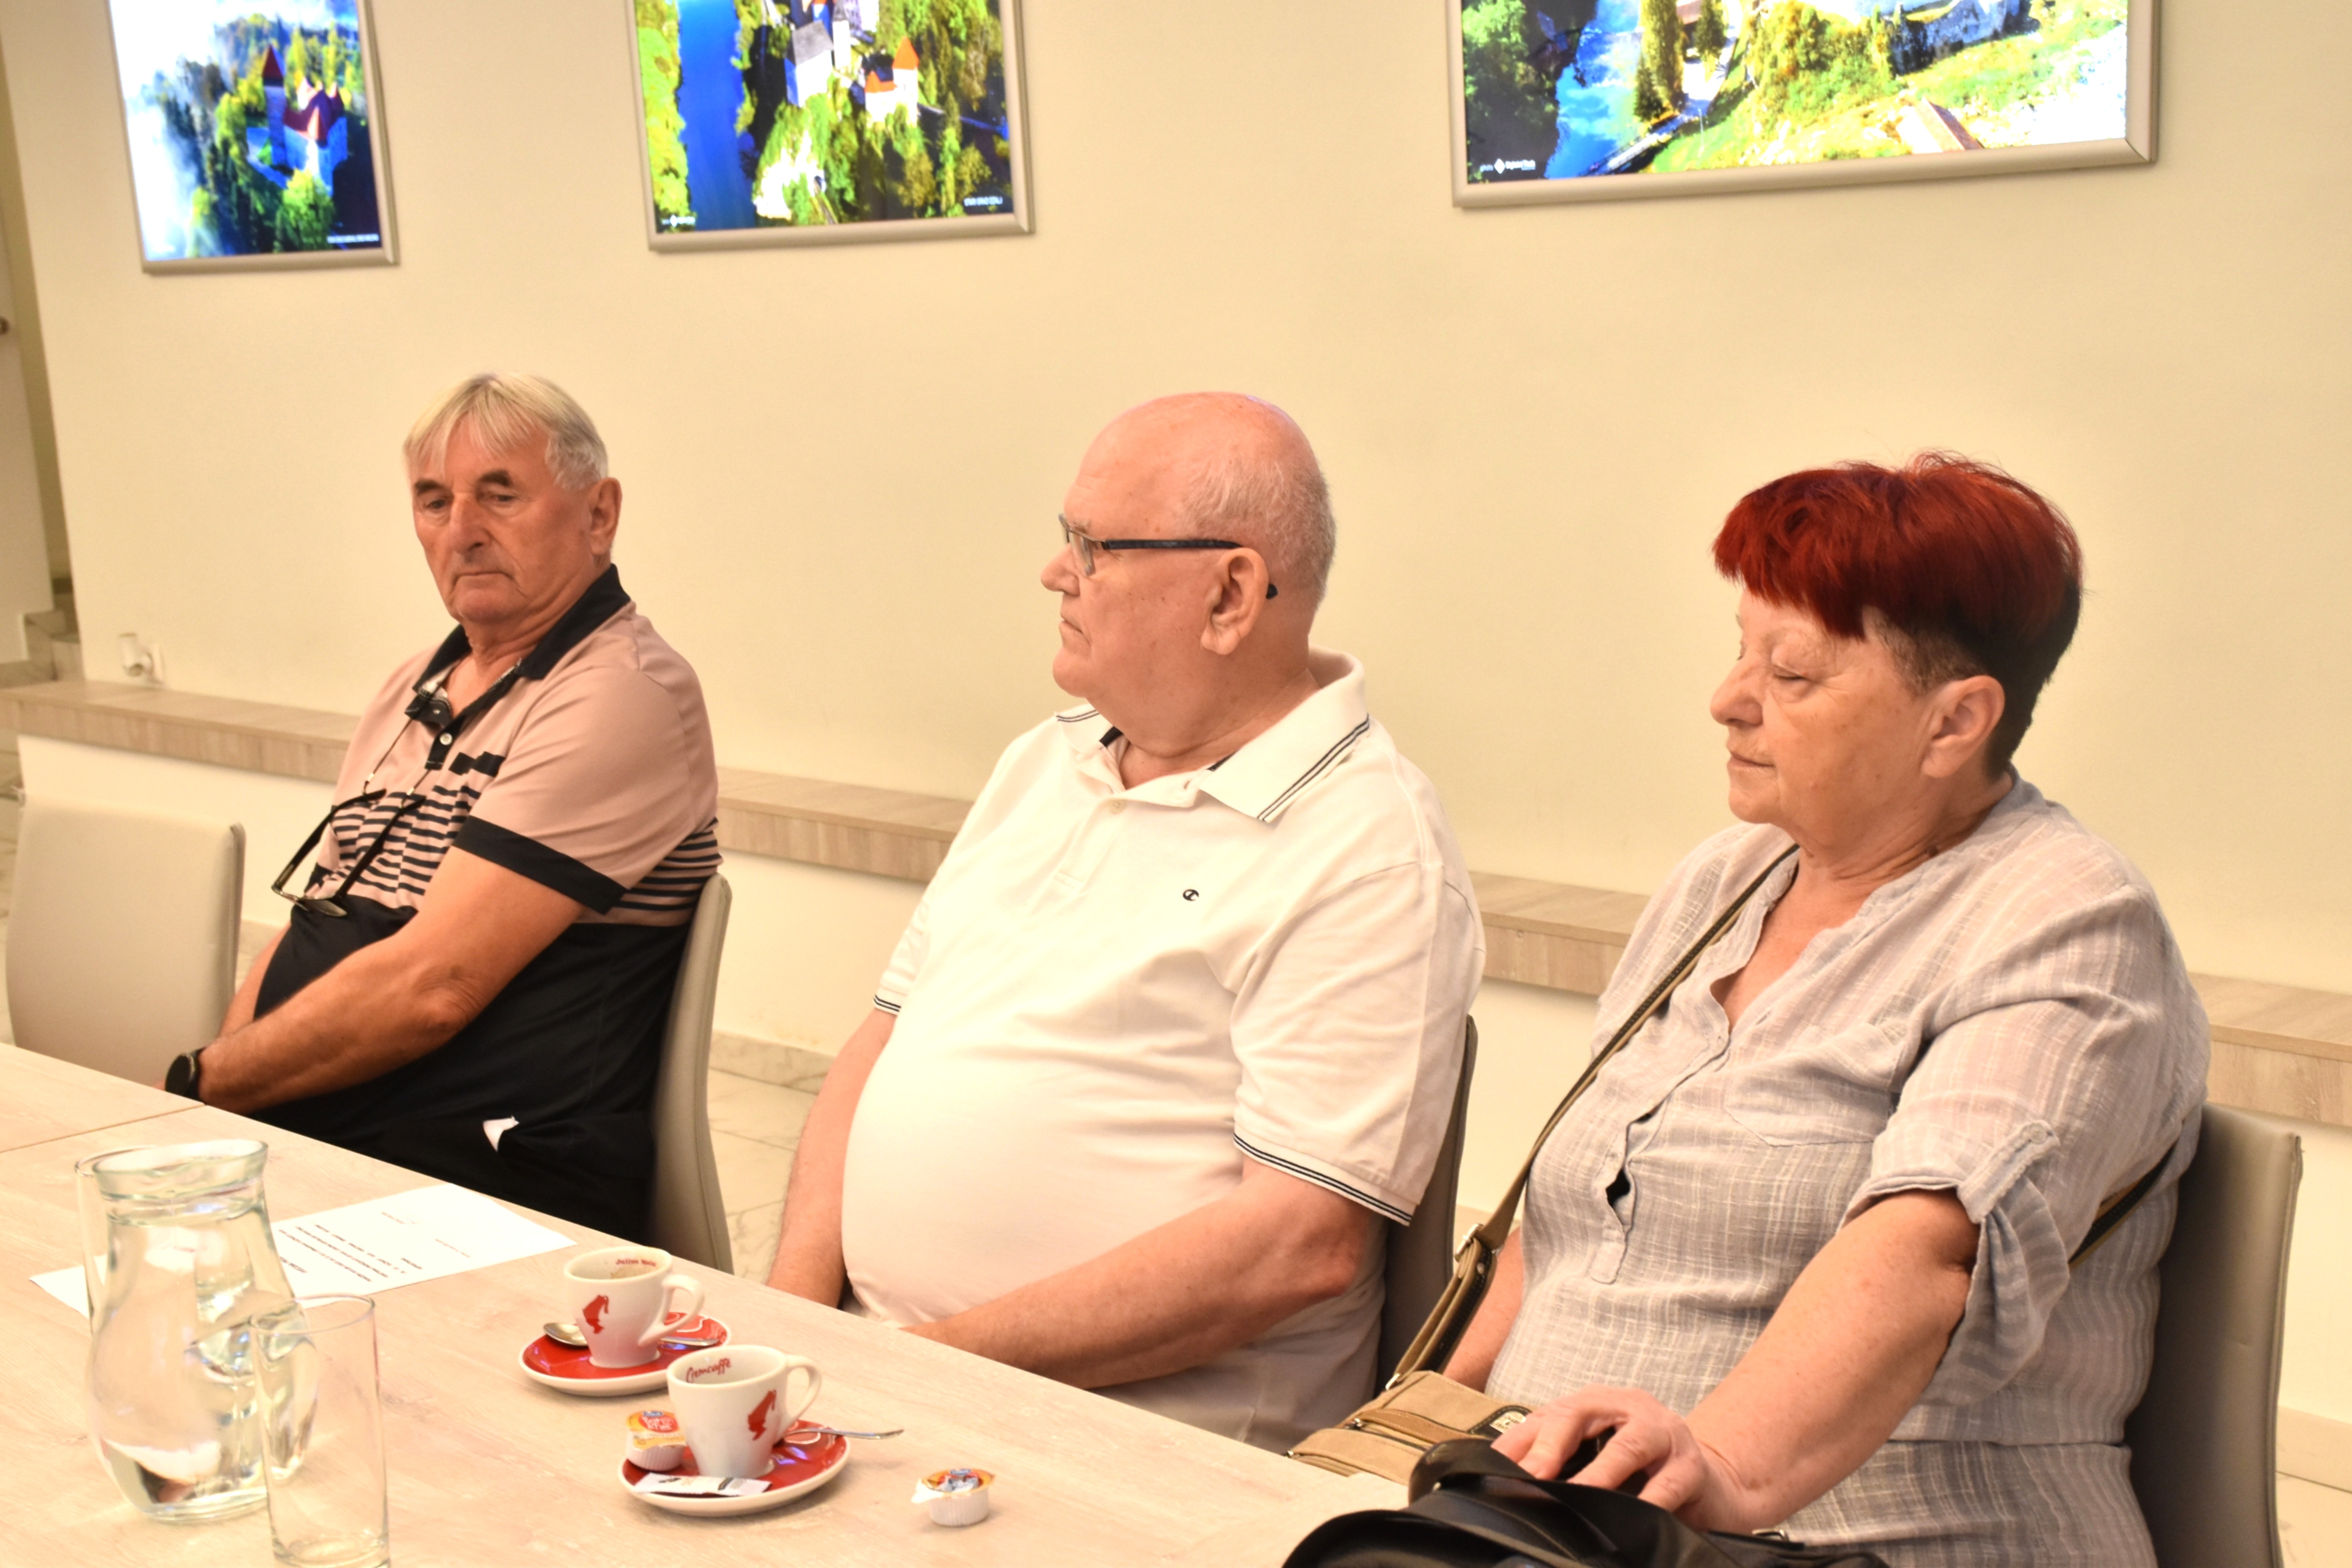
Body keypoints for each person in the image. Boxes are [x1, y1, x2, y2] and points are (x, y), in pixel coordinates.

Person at [1444, 455, 2206, 1566]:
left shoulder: (2068, 918)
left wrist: (1718, 1466)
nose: (1729, 699)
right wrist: (1426, 1428)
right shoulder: (1727, 877)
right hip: (1571, 1524)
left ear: (1955, 722)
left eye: (1792, 672)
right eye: (1741, 650)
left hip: (1872, 1536)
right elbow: (1570, 1227)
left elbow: (1923, 1258)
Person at [767, 393, 1483, 1451]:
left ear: (1229, 594)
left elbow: (1298, 1244)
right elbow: (881, 1042)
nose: (1056, 573)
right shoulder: (1044, 760)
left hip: (1118, 1439)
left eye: (1094, 548)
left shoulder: (1370, 846)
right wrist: (788, 1334)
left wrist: (923, 1368)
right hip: (884, 1383)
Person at [164, 374, 721, 1238]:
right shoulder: (415, 684)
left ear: (599, 514)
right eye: (434, 501)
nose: (462, 530)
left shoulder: (622, 693)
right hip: (334, 1149)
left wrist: (201, 1084)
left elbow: (434, 988)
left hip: (480, 1184)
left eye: (501, 494)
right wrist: (217, 1108)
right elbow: (319, 915)